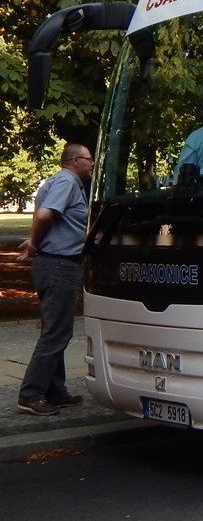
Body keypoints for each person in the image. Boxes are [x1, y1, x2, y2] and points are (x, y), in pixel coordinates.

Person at [16, 143, 93, 415]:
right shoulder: (67, 182)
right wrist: (35, 243)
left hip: (53, 264)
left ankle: (55, 390)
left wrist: (37, 241)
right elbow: (44, 215)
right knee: (56, 333)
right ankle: (31, 394)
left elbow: (50, 218)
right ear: (75, 161)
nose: (92, 163)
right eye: (89, 159)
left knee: (56, 329)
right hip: (59, 265)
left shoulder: (58, 181)